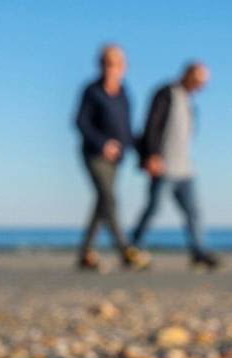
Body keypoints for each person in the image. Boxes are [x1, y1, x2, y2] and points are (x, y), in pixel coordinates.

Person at [128, 61, 221, 270]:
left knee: (193, 212)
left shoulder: (189, 102)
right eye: (198, 80)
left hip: (185, 168)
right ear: (187, 75)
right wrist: (152, 155)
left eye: (204, 83)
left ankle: (199, 251)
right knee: (154, 207)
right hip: (164, 165)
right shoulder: (166, 93)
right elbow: (151, 124)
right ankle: (133, 246)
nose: (201, 86)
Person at [74, 44, 151, 271]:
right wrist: (103, 143)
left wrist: (144, 154)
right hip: (94, 155)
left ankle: (85, 253)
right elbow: (80, 122)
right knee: (109, 199)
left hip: (117, 160)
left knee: (102, 204)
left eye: (117, 63)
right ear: (100, 65)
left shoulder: (124, 93)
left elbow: (127, 129)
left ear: (124, 67)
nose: (112, 68)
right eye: (108, 63)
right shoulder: (92, 91)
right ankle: (125, 250)